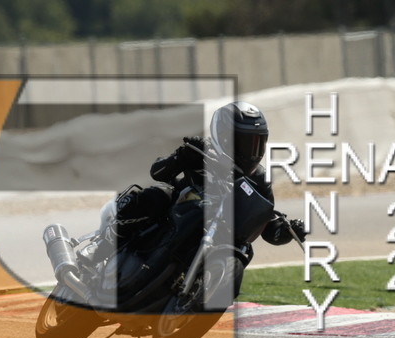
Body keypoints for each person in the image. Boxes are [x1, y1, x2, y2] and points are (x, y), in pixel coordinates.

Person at [104, 101, 305, 253]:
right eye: (244, 143)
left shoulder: (259, 179)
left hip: (217, 233)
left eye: (256, 143)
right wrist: (181, 156)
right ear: (224, 137)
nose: (251, 152)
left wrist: (284, 231)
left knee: (245, 248)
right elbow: (157, 172)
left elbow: (263, 221)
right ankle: (105, 244)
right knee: (159, 194)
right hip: (175, 214)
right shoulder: (201, 150)